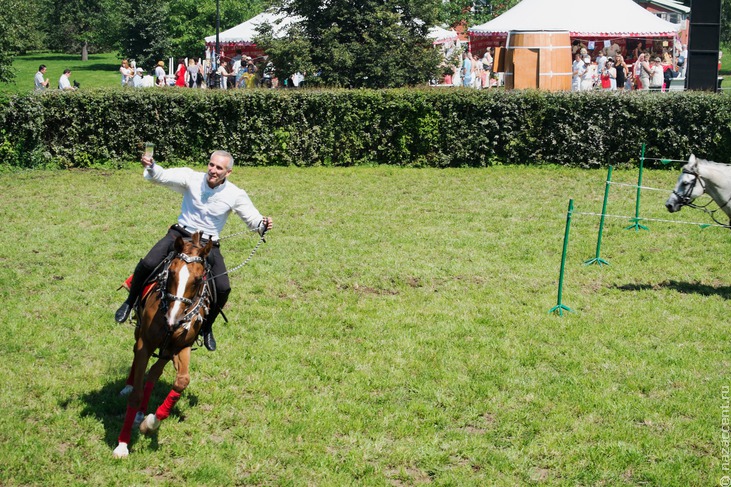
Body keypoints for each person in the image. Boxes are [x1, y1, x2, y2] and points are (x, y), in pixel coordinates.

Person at [114, 150, 274, 352]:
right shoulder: (191, 178)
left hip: (207, 246)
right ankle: (130, 302)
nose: (213, 170)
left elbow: (253, 220)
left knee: (223, 288)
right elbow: (162, 176)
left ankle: (206, 328)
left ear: (229, 172)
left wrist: (263, 224)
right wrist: (152, 166)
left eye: (219, 168)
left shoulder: (235, 194)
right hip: (180, 236)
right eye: (211, 165)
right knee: (148, 263)